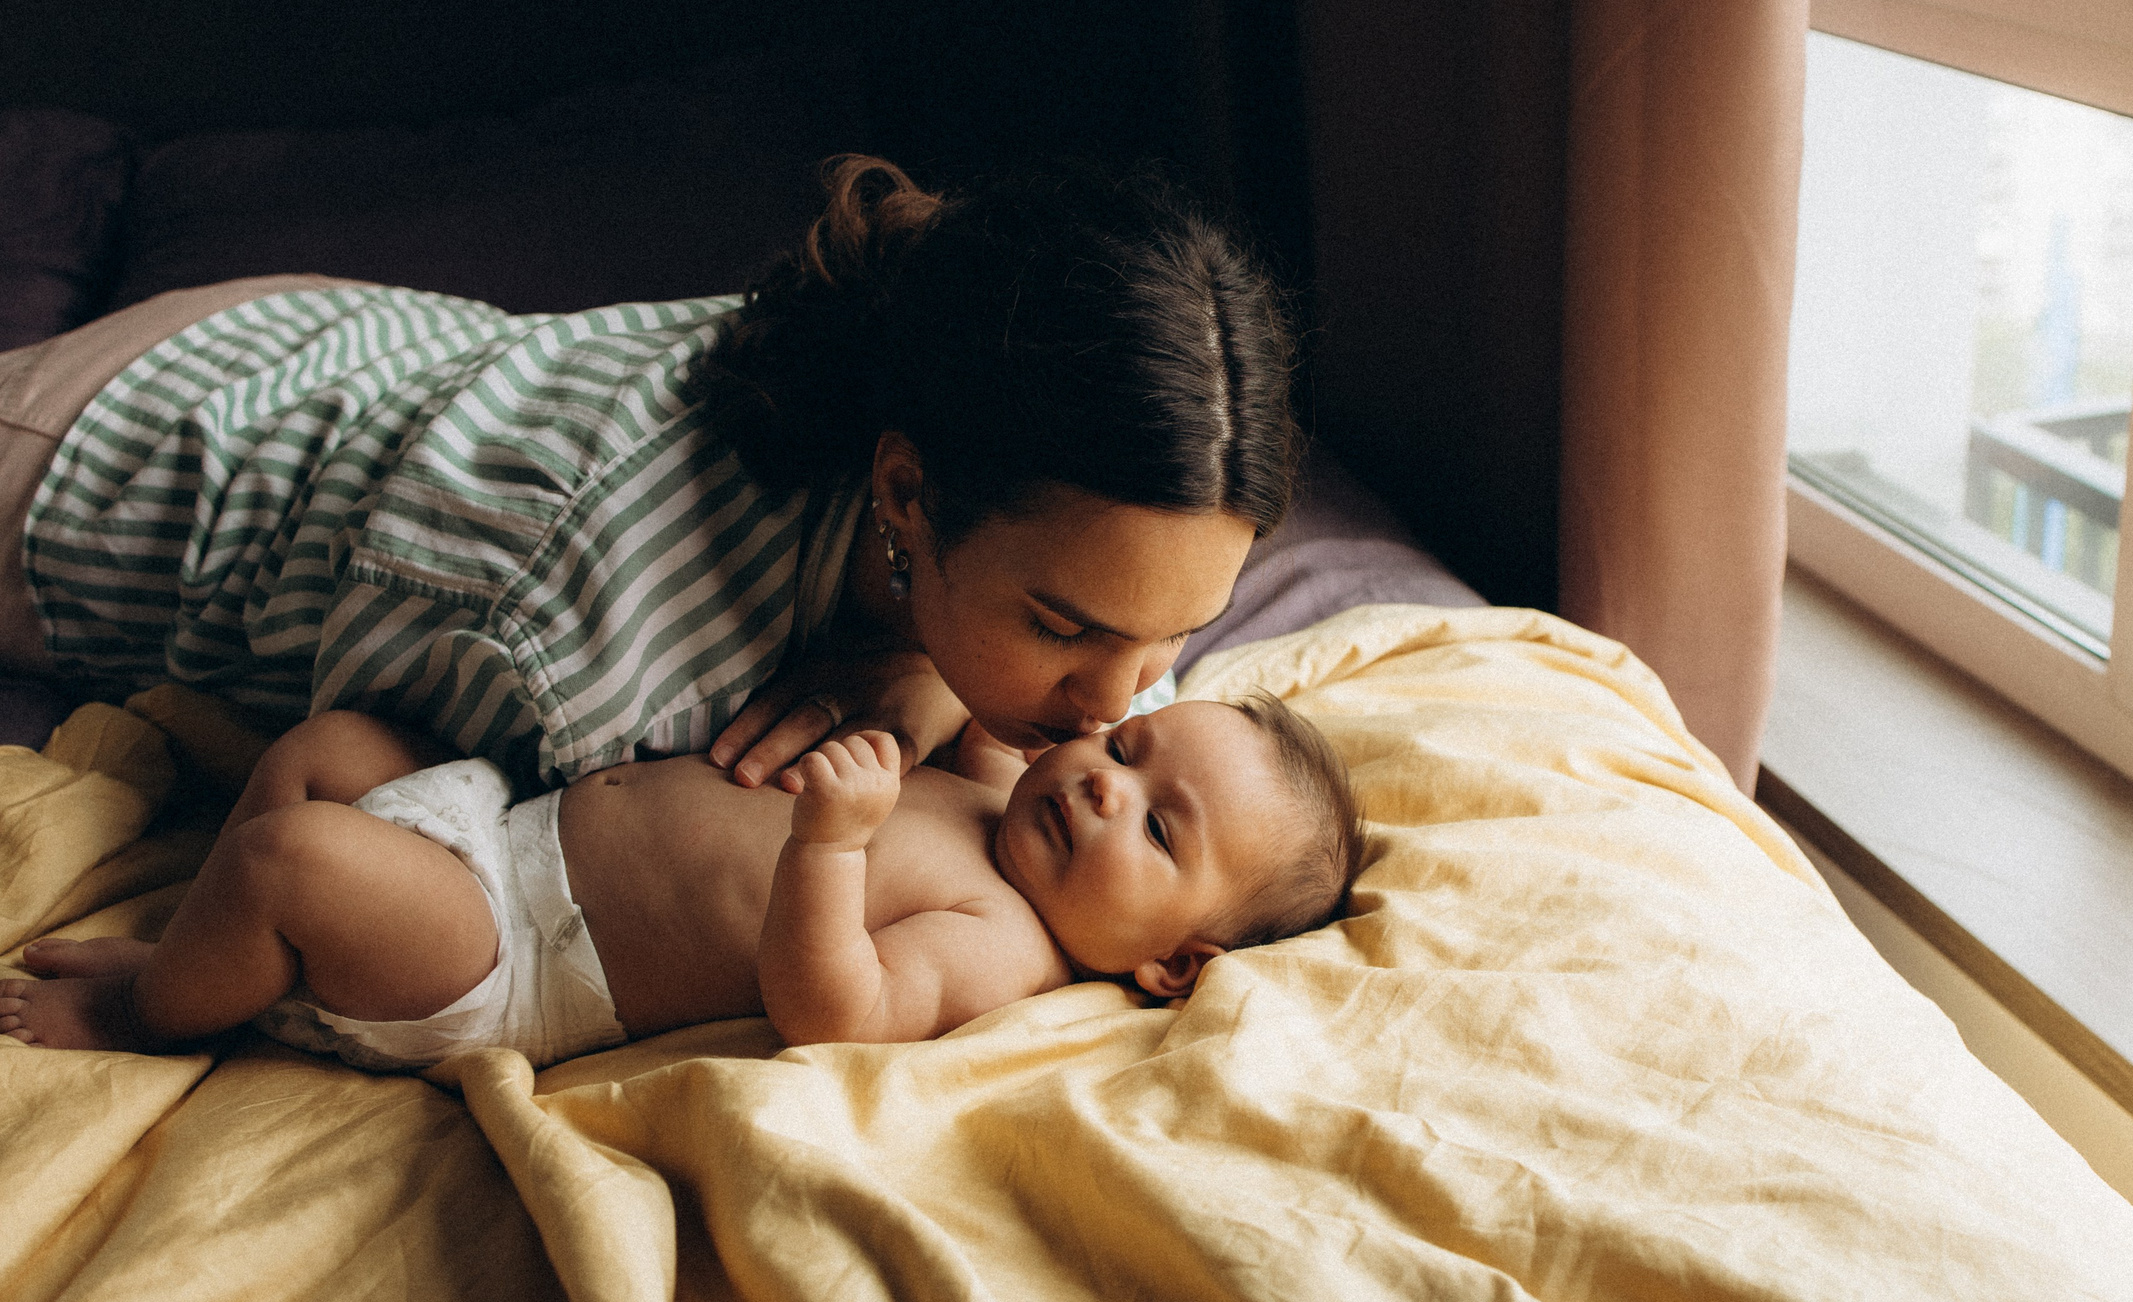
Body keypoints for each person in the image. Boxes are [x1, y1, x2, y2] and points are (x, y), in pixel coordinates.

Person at [0, 156, 1297, 795]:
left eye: (1170, 636)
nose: (1123, 708)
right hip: (114, 457)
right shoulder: (565, 662)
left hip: (368, 348)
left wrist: (929, 671)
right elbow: (351, 852)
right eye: (1065, 629)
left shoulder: (936, 354)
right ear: (905, 495)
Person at [0, 692, 1363, 1065]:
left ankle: (156, 1010)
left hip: (505, 954)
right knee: (326, 748)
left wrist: (829, 851)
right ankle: (209, 951)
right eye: (1125, 749)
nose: (1103, 784)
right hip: (503, 826)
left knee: (291, 861)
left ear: (1173, 962)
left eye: (1162, 831)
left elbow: (843, 1011)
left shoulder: (1003, 939)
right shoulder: (1008, 786)